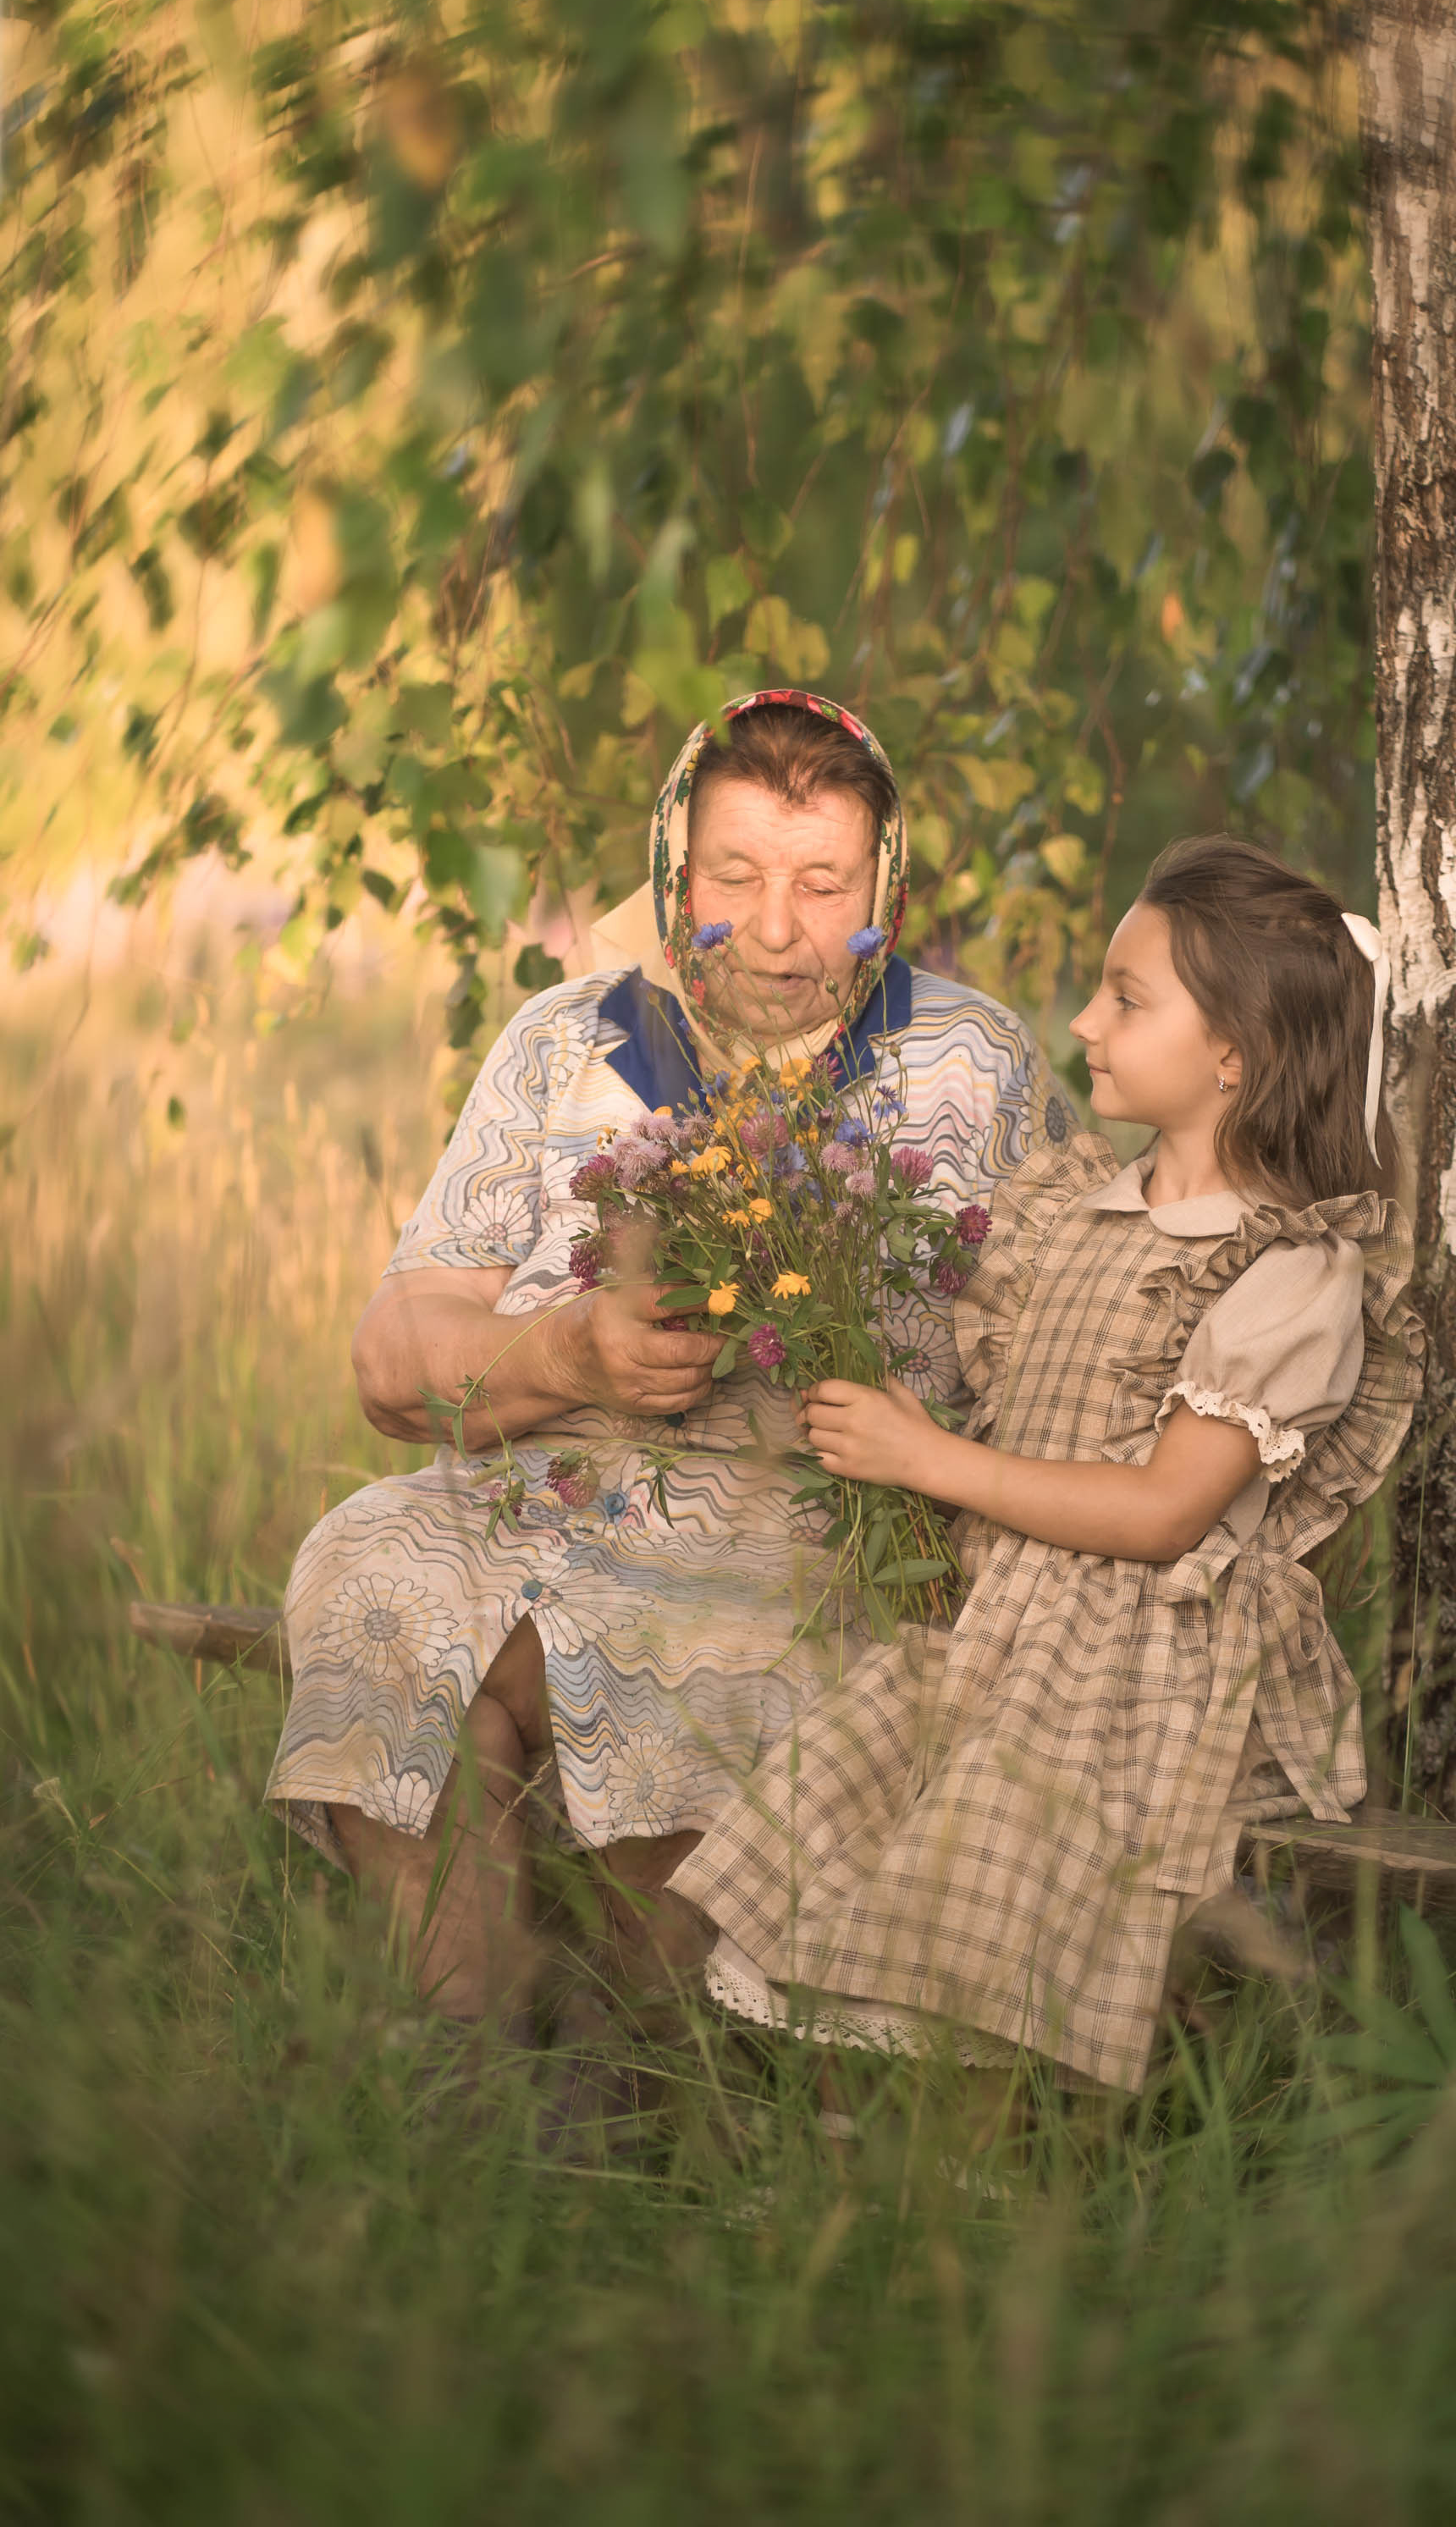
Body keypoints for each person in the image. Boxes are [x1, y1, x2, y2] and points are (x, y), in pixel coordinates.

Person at [264, 687, 1075, 2029]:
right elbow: (391, 1358)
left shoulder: (969, 1064)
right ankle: (472, 2067)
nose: (772, 927)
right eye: (734, 875)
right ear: (672, 868)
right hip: (533, 1499)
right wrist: (569, 1352)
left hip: (814, 1523)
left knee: (693, 1637)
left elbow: (1060, 1361)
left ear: (886, 882)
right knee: (371, 1563)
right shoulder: (563, 1046)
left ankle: (647, 2064)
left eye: (821, 883)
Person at [674, 836, 1423, 2094]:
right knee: (832, 1818)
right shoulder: (1072, 1205)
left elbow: (1165, 1514)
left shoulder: (1286, 1268)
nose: (1084, 1019)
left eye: (1127, 1000)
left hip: (1139, 1659)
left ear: (1232, 1056)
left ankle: (1002, 2167)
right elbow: (1024, 1412)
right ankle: (867, 2145)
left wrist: (927, 1460)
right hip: (1006, 1624)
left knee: (987, 1853)